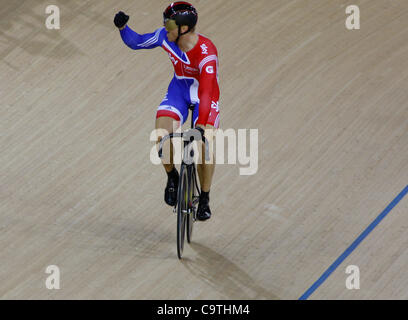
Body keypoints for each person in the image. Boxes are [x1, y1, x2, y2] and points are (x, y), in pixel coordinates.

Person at [114, 2, 220, 221]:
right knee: (161, 135)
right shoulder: (165, 36)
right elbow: (139, 42)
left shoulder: (206, 51)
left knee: (203, 145)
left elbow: (208, 91)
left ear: (183, 28)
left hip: (204, 96)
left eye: (169, 23)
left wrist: (200, 126)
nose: (164, 26)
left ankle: (206, 198)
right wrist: (123, 28)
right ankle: (172, 177)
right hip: (179, 90)